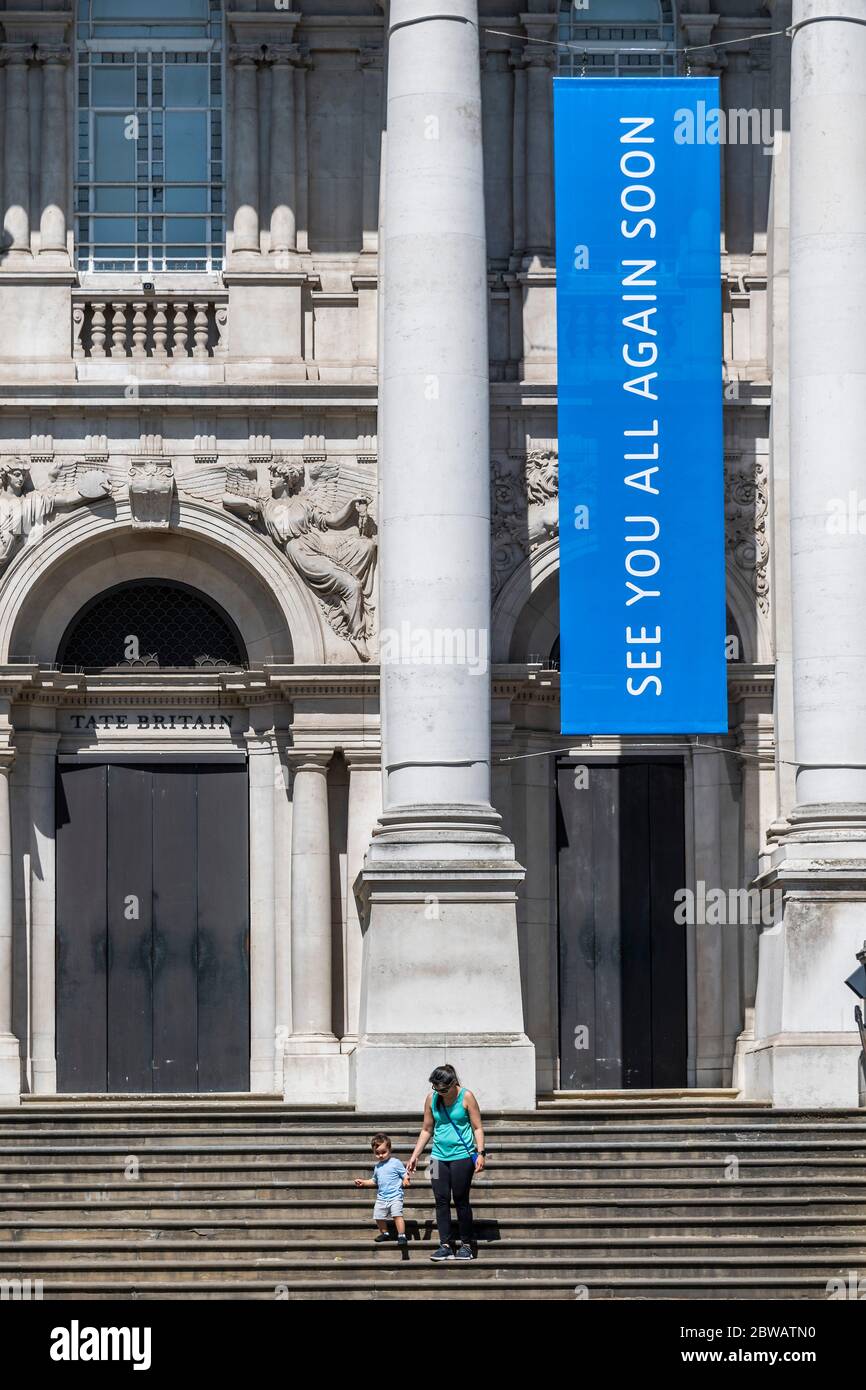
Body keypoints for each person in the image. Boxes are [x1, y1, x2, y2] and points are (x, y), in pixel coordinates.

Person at [406, 1064, 486, 1263]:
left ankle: (466, 1245)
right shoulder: (431, 1099)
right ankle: (445, 1245)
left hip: (462, 1156)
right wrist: (415, 1155)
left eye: (443, 1089)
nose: (439, 1092)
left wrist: (481, 1152)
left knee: (461, 1199)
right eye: (436, 1089)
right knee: (440, 1201)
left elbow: (477, 1127)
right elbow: (426, 1129)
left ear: (453, 1084)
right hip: (436, 1157)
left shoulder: (466, 1096)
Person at [354, 1133, 410, 1246]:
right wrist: (364, 1182)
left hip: (395, 1195)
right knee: (378, 1216)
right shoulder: (378, 1167)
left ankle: (401, 1235)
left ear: (389, 1149)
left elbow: (405, 1174)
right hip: (382, 1197)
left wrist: (406, 1180)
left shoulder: (395, 1162)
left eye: (383, 1152)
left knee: (397, 1215)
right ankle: (385, 1233)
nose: (380, 1155)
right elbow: (374, 1181)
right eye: (377, 1153)